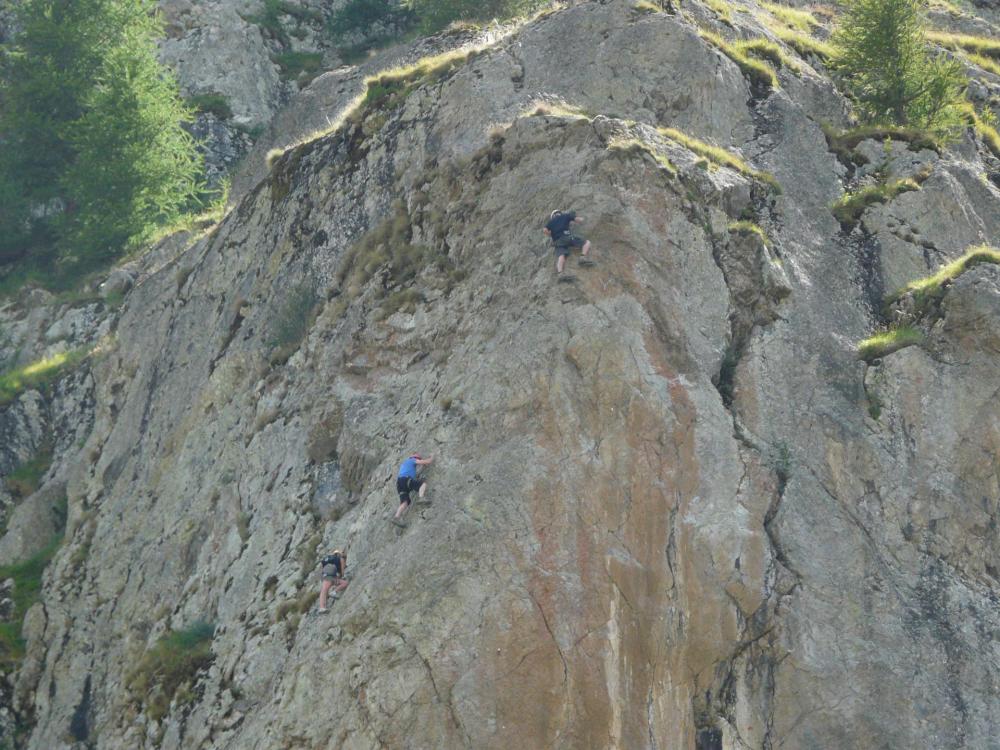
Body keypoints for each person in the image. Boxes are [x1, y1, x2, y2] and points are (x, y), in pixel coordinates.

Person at [543, 209, 592, 274]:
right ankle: (582, 257)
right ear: (560, 213)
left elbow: (545, 230)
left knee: (561, 256)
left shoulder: (551, 222)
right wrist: (584, 219)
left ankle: (560, 273)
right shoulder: (565, 216)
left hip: (558, 242)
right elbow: (578, 219)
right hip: (567, 237)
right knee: (587, 243)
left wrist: (550, 234)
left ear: (553, 216)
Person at [392, 453, 434, 527]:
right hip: (405, 479)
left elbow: (415, 473)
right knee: (422, 484)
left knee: (405, 502)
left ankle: (396, 517)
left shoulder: (405, 464)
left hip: (399, 483)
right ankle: (421, 498)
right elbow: (427, 462)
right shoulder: (412, 460)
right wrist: (431, 457)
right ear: (415, 458)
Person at [318, 549, 348, 613]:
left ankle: (333, 592)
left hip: (326, 574)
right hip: (331, 573)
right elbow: (342, 571)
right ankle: (322, 607)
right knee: (324, 589)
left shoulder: (328, 559)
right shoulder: (340, 558)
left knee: (344, 583)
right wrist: (342, 576)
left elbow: (321, 568)